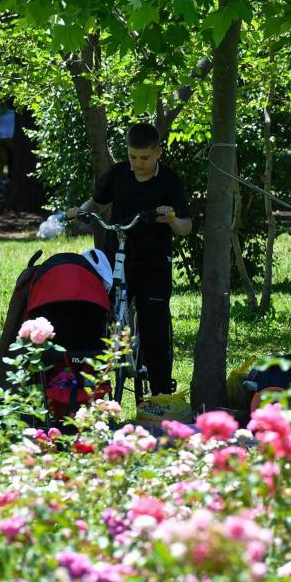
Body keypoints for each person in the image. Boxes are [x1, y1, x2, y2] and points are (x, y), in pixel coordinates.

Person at [65, 123, 192, 395]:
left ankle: (160, 396)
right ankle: (92, 389)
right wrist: (80, 212)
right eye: (133, 156)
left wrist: (170, 218)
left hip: (154, 262)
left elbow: (185, 226)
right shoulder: (118, 174)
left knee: (155, 326)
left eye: (144, 157)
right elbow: (96, 203)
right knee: (99, 316)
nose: (137, 164)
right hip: (119, 256)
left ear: (158, 152)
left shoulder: (169, 180)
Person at [0, 99, 16, 189]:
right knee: (13, 157)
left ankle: (0, 179)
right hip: (10, 136)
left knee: (1, 159)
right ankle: (11, 178)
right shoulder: (14, 114)